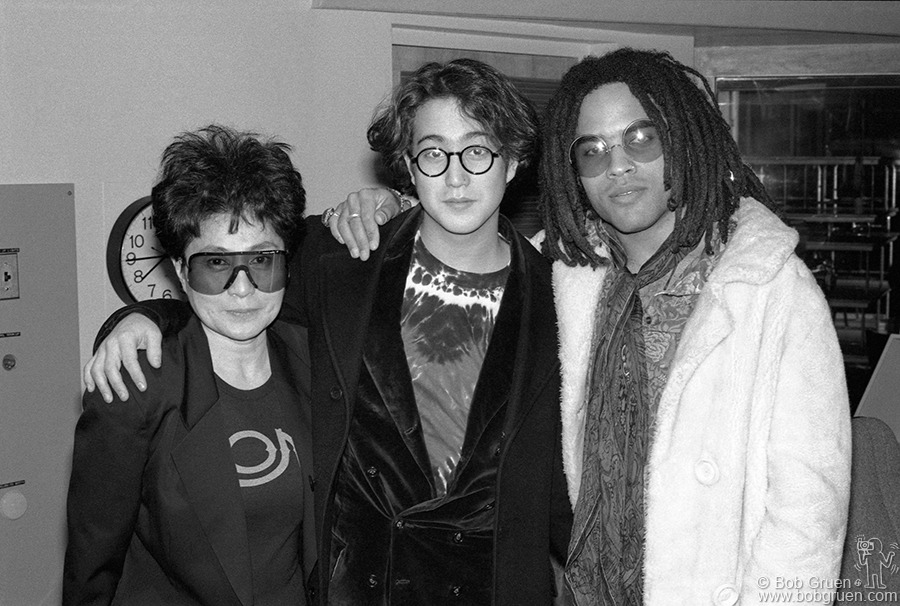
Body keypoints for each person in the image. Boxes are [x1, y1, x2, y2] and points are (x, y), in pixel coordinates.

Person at [324, 48, 854, 605]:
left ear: (682, 140)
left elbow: (809, 515)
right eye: (593, 151)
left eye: (641, 139)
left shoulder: (771, 291)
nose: (618, 165)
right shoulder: (570, 279)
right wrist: (383, 205)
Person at [83, 59, 573, 605]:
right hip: (358, 587)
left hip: (493, 588)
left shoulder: (563, 301)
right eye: (433, 153)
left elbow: (568, 482)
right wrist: (138, 319)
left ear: (513, 161)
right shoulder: (340, 259)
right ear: (408, 167)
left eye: (478, 151)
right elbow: (233, 290)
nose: (455, 176)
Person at [64, 125, 316, 605]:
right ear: (181, 271)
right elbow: (91, 565)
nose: (243, 290)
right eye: (216, 265)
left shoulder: (316, 362)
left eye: (262, 260)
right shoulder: (136, 384)